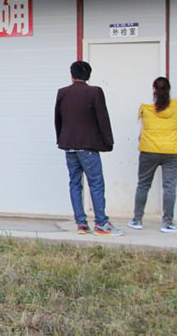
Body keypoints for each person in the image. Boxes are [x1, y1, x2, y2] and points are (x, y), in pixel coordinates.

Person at [55, 61, 123, 236]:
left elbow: (58, 119)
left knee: (74, 183)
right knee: (96, 183)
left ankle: (81, 224)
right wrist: (108, 142)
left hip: (69, 146)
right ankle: (101, 223)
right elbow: (102, 119)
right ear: (88, 76)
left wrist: (62, 139)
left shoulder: (62, 93)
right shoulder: (95, 92)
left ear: (72, 75)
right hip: (88, 146)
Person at [128, 77, 177, 233]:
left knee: (143, 185)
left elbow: (139, 131)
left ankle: (137, 220)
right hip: (172, 151)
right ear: (169, 90)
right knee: (169, 188)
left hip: (149, 151)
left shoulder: (145, 108)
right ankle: (167, 223)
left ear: (153, 90)